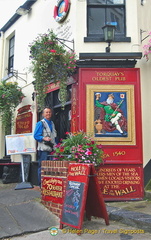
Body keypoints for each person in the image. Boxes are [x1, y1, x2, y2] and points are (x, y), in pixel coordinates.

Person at [33, 107, 57, 187]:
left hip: (52, 149)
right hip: (43, 149)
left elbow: (54, 136)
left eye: (49, 112)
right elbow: (36, 135)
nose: (48, 114)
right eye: (46, 112)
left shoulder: (52, 123)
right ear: (43, 114)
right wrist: (43, 138)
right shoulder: (40, 123)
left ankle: (49, 183)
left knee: (50, 167)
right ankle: (41, 184)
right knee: (43, 166)